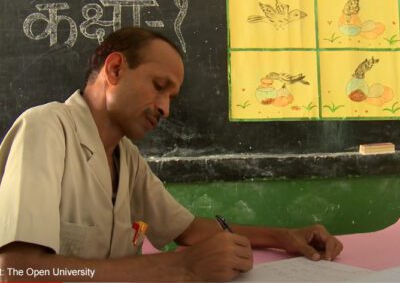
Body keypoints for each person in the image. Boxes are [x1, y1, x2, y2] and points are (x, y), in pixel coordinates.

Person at [0, 27, 343, 282]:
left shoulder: (126, 156)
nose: (164, 108)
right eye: (159, 87)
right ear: (115, 69)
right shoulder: (45, 128)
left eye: (172, 98)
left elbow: (189, 230)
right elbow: (19, 270)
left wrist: (284, 236)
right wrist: (180, 266)